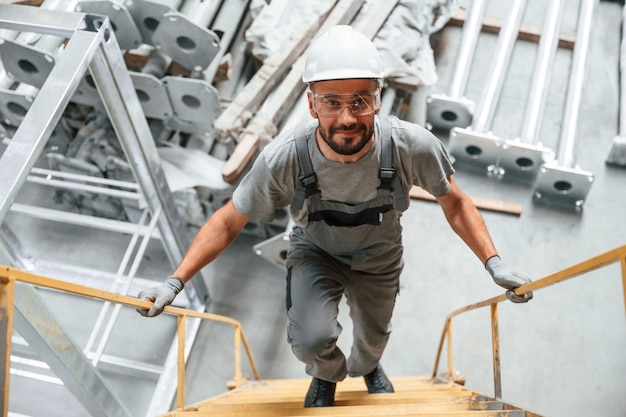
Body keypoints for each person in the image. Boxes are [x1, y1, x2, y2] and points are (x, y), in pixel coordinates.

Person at [136, 25, 533, 408]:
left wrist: (493, 264)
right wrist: (176, 281)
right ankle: (327, 374)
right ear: (312, 104)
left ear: (378, 100)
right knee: (310, 339)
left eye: (360, 100)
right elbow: (229, 219)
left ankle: (368, 366)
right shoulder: (285, 157)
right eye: (331, 102)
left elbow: (456, 203)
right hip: (316, 253)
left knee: (373, 336)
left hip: (379, 257)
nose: (347, 117)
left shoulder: (412, 147)